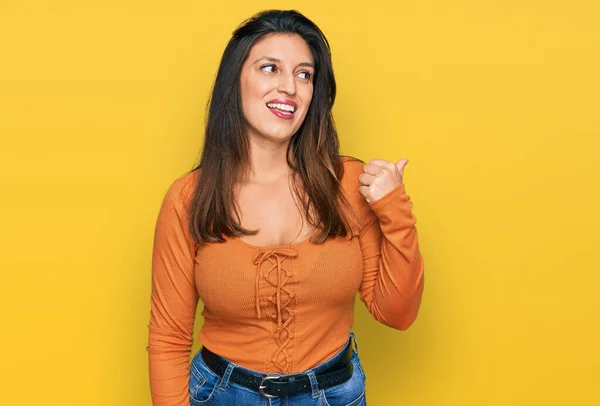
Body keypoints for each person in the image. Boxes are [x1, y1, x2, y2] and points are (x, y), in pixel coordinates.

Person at [146, 9, 424, 406]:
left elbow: (397, 313)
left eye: (304, 74)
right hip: (221, 396)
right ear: (236, 80)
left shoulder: (348, 184)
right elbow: (168, 337)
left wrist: (395, 208)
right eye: (269, 68)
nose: (289, 88)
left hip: (333, 395)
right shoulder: (189, 197)